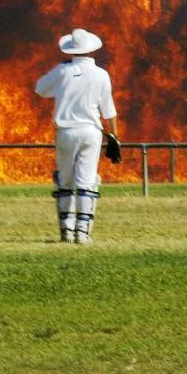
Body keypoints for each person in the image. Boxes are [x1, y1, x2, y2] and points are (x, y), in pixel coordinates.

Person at [35, 28, 118, 244]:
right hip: (92, 132)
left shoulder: (61, 71)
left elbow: (40, 89)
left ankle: (66, 230)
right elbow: (108, 110)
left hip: (66, 131)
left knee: (65, 180)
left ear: (71, 49)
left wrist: (62, 86)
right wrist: (114, 137)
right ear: (91, 50)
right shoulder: (101, 74)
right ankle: (83, 232)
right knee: (86, 180)